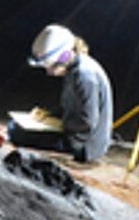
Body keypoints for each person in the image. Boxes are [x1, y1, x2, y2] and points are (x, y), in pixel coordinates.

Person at [10, 24, 113, 162]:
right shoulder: (74, 69)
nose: (49, 72)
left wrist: (55, 124)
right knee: (15, 127)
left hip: (84, 146)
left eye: (51, 67)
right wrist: (48, 115)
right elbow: (72, 106)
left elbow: (88, 122)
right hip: (76, 135)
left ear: (65, 57)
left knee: (17, 133)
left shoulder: (84, 76)